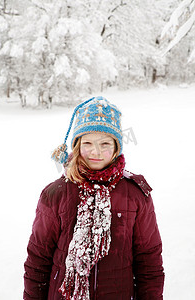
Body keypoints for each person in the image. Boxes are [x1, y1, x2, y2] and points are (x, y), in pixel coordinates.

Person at [23, 96, 164, 300]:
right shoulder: (55, 193)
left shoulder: (135, 194)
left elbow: (149, 260)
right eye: (87, 142)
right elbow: (38, 259)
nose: (96, 151)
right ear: (77, 146)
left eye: (105, 143)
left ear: (116, 147)